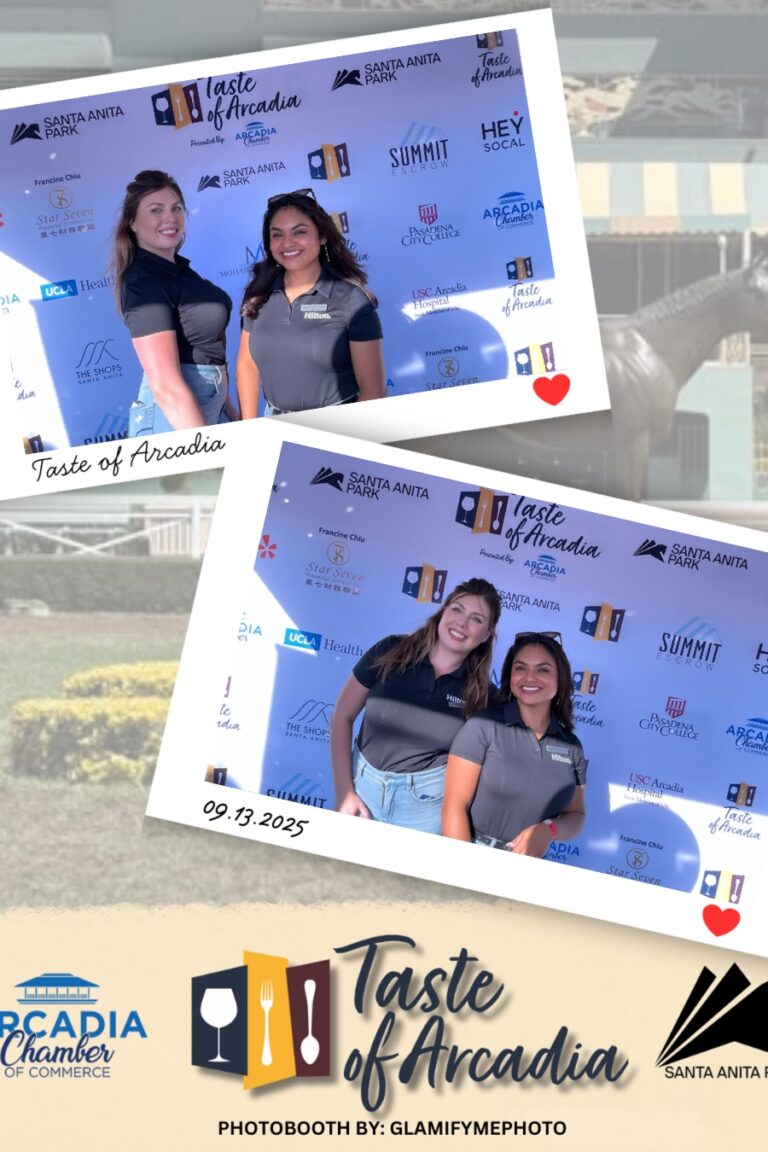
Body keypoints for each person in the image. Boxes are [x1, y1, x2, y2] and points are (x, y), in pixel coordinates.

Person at [330, 578, 502, 834]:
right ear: (443, 611)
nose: (462, 623)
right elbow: (342, 716)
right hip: (361, 788)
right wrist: (345, 791)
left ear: (487, 634)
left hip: (425, 809)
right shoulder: (390, 651)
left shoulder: (484, 695)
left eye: (476, 619)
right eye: (457, 609)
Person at [237, 189, 385, 416]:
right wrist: (248, 427)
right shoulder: (258, 295)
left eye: (300, 232)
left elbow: (372, 391)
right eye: (277, 235)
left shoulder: (351, 300)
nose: (287, 243)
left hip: (337, 426)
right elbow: (247, 365)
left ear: (322, 235)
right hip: (275, 424)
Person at [112, 170, 237, 436]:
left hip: (205, 408)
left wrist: (231, 414)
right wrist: (205, 449)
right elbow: (166, 386)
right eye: (155, 210)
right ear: (132, 222)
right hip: (175, 421)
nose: (170, 218)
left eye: (176, 208)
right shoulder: (143, 281)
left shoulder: (178, 272)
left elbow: (203, 351)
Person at [442, 632, 587, 855]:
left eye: (543, 669)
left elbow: (576, 816)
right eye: (520, 668)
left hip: (530, 868)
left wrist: (549, 830)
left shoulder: (572, 746)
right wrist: (463, 868)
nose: (530, 677)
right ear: (510, 677)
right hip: (473, 854)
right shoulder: (484, 725)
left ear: (561, 679)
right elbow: (454, 806)